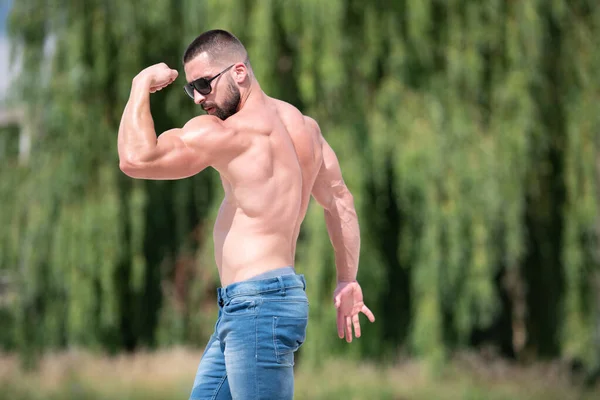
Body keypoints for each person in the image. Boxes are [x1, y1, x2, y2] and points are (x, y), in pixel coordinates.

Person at [117, 29, 375, 400]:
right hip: (251, 306)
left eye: (204, 84)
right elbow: (339, 201)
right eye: (191, 89)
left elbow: (136, 158)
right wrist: (347, 279)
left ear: (239, 72)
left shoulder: (227, 134)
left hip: (257, 307)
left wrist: (140, 85)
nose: (199, 98)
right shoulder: (306, 129)